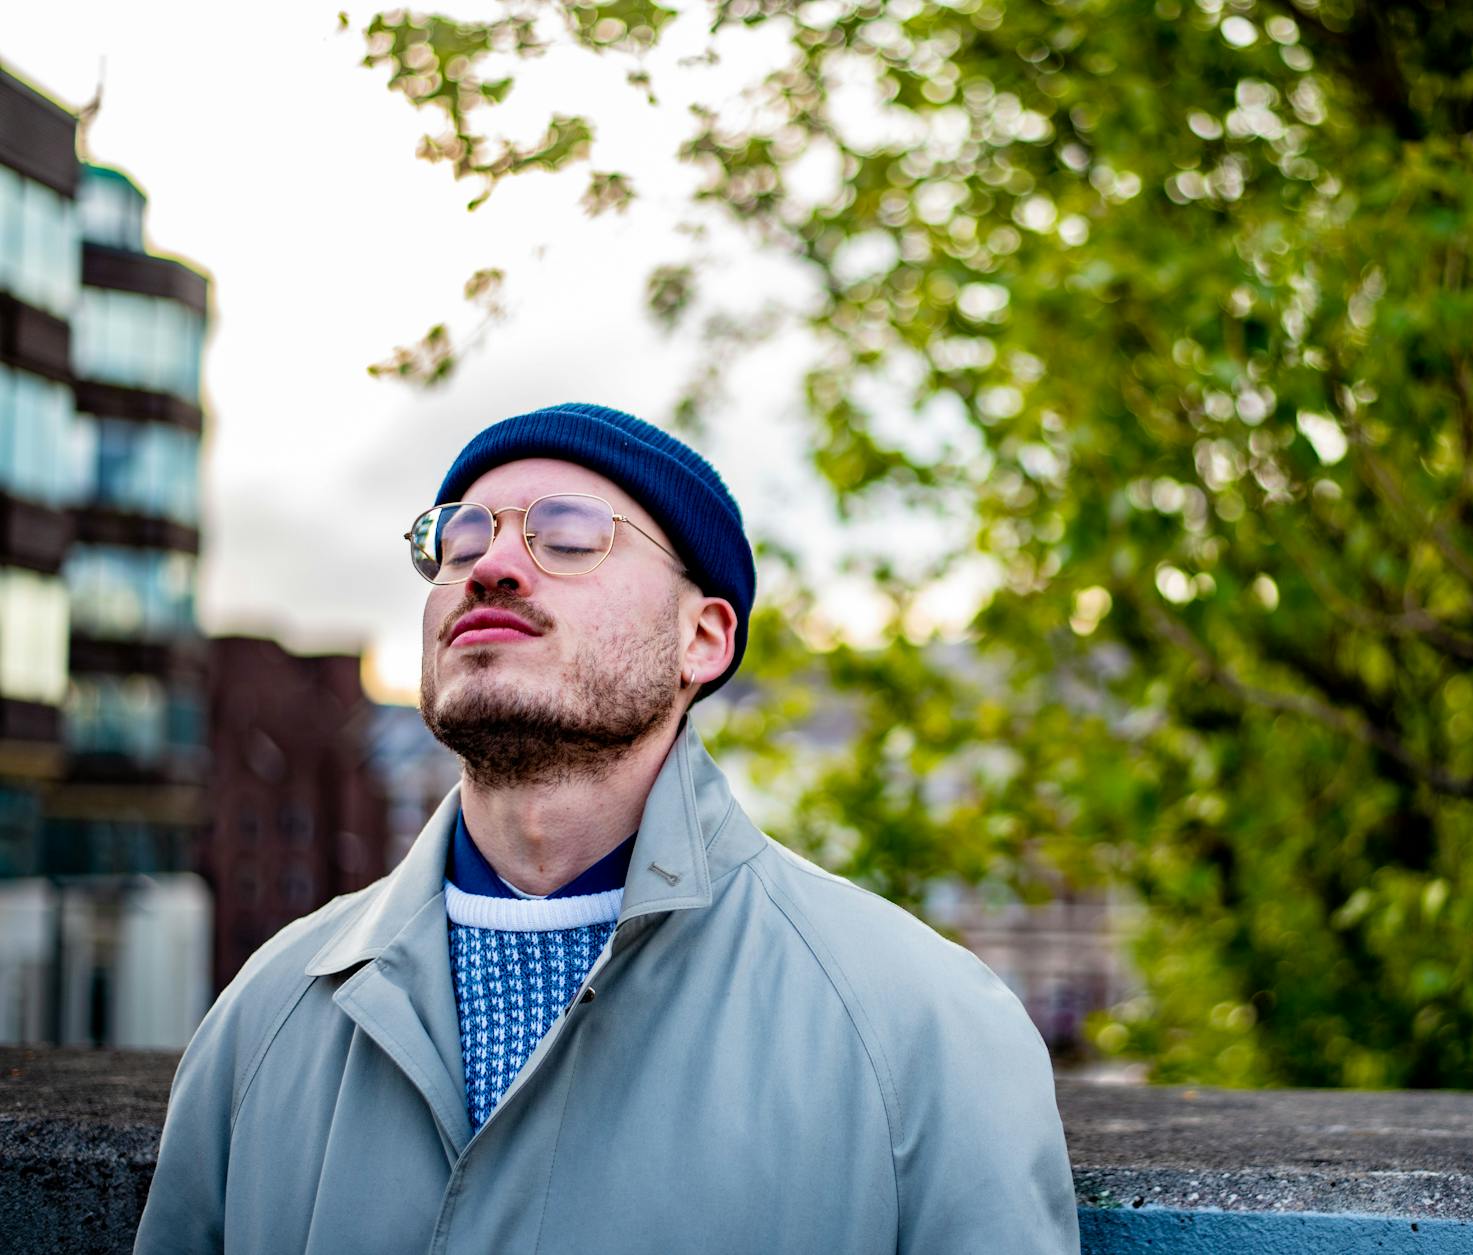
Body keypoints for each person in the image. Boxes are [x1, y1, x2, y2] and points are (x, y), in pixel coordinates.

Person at [133, 402, 1079, 1254]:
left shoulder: (927, 1029)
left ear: (702, 639)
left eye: (570, 533)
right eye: (459, 540)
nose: (492, 564)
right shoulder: (264, 1016)